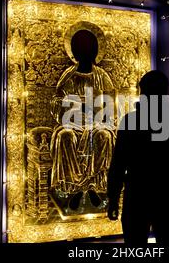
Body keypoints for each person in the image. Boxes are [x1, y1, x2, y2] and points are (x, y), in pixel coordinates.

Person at [106, 70, 169, 245]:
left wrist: (113, 198)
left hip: (138, 193)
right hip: (166, 194)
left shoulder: (131, 121)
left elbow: (118, 163)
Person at [50, 30, 116, 208]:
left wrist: (98, 112)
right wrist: (72, 106)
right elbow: (56, 103)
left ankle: (94, 186)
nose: (86, 53)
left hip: (97, 123)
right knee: (65, 136)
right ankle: (75, 188)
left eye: (89, 49)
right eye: (81, 49)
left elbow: (111, 105)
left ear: (95, 51)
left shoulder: (102, 76)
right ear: (75, 52)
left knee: (104, 136)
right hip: (72, 123)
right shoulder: (68, 76)